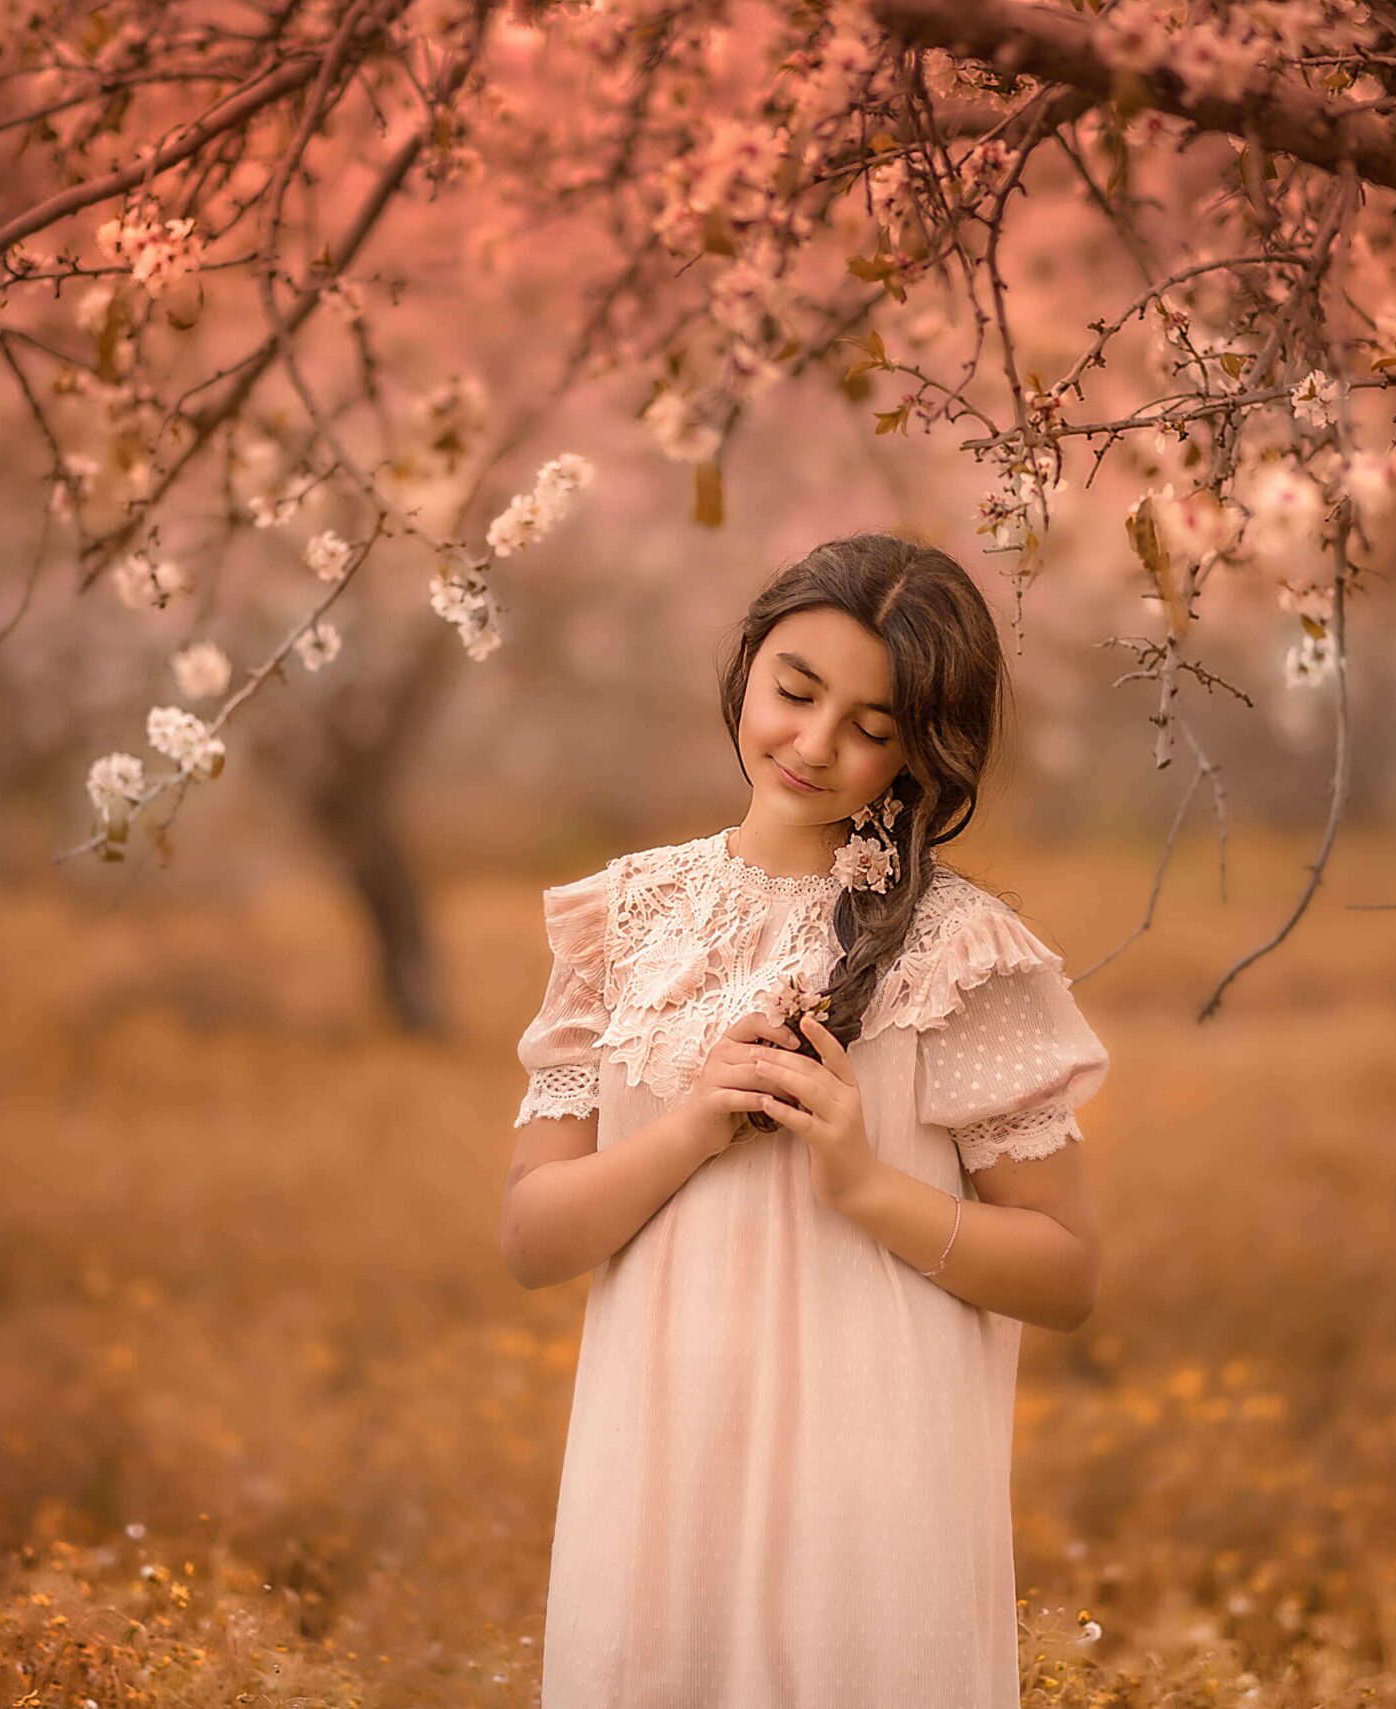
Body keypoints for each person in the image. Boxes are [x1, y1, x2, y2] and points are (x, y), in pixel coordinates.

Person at [500, 532, 1111, 1708]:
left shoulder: (957, 949)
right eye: (795, 689)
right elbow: (534, 1238)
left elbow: (1066, 1272)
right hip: (655, 1482)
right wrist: (693, 1125)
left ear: (924, 746)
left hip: (872, 1504)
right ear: (746, 665)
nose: (815, 744)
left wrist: (864, 1182)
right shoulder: (619, 921)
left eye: (873, 726)